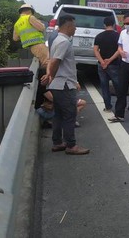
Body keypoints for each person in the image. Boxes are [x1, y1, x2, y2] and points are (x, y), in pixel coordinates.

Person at [40, 15, 90, 155]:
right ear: (68, 26)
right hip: (64, 84)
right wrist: (51, 76)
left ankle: (57, 142)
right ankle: (71, 145)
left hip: (57, 84)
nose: (75, 28)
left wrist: (50, 76)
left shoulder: (56, 40)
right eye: (74, 26)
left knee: (59, 115)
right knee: (70, 114)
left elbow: (51, 60)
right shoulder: (63, 42)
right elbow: (55, 61)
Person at [94, 16, 121, 113]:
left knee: (104, 86)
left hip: (101, 65)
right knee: (118, 85)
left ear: (104, 25)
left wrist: (102, 62)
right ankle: (121, 105)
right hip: (114, 64)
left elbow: (96, 51)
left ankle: (108, 106)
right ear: (113, 24)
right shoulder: (118, 36)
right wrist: (109, 60)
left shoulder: (99, 36)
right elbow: (119, 50)